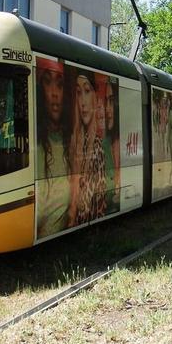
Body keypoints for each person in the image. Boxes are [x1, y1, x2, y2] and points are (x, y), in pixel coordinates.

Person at [35, 58, 71, 238]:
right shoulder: (36, 144)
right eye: (47, 82)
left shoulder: (70, 141)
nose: (55, 93)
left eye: (60, 85)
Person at [68, 69, 106, 226]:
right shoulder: (73, 141)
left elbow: (99, 207)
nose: (82, 101)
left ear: (95, 97)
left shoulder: (97, 147)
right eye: (78, 93)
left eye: (87, 91)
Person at [103, 78, 121, 214]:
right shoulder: (103, 145)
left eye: (111, 101)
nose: (107, 109)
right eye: (105, 102)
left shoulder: (128, 143)